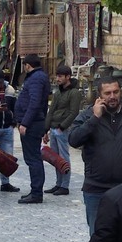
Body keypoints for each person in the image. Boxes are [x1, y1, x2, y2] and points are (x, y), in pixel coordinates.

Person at [70, 75, 122, 234]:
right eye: (107, 93)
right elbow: (74, 139)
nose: (112, 96)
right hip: (96, 189)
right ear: (99, 95)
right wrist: (95, 118)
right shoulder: (88, 115)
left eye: (116, 92)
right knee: (98, 237)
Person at [14, 54, 50, 204]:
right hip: (35, 122)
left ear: (28, 65)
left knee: (33, 159)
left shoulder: (35, 78)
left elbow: (35, 103)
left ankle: (36, 193)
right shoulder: (40, 77)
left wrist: (25, 123)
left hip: (32, 124)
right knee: (33, 158)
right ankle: (35, 191)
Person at [44, 64, 84, 197]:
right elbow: (51, 110)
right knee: (55, 158)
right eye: (57, 76)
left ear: (68, 77)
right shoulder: (58, 92)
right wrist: (46, 128)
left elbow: (73, 112)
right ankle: (58, 183)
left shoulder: (74, 93)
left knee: (64, 157)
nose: (58, 78)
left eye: (60, 76)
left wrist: (62, 126)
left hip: (63, 129)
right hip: (54, 127)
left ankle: (65, 185)